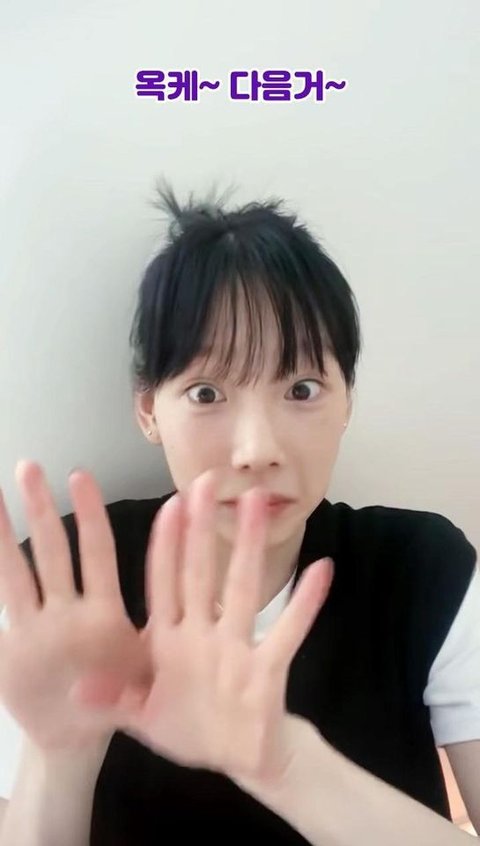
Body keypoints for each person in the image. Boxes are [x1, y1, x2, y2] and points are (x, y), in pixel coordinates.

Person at [0, 180, 478, 845]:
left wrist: (287, 766)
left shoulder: (427, 571)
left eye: (302, 389)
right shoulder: (65, 589)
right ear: (149, 408)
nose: (257, 450)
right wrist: (59, 759)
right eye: (206, 393)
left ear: (347, 398)